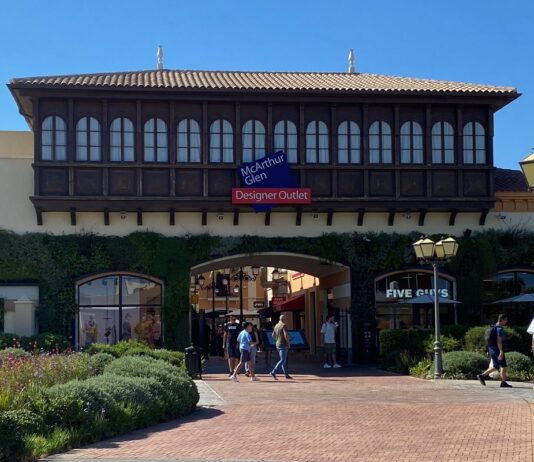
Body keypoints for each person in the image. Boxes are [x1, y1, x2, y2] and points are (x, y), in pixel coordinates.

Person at [477, 314, 512, 388]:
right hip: (497, 350)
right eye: (505, 320)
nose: (506, 321)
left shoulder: (492, 327)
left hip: (491, 349)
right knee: (504, 366)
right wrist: (501, 351)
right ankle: (503, 383)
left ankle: (482, 376)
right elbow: (499, 341)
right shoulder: (499, 329)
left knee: (496, 366)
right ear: (501, 320)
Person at [270, 314, 292, 380]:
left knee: (283, 360)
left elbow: (272, 335)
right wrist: (288, 343)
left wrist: (277, 340)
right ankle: (273, 372)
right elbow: (286, 335)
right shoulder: (283, 326)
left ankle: (286, 374)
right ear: (284, 319)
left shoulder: (276, 326)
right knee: (282, 360)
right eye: (285, 319)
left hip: (278, 344)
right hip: (283, 344)